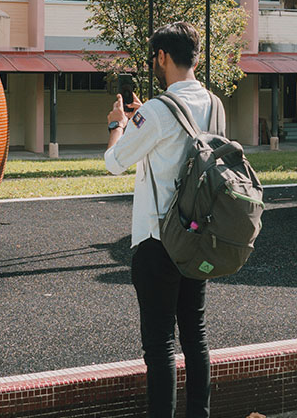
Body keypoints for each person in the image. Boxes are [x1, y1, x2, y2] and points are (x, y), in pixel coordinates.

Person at [103, 22, 220, 418]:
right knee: (196, 337)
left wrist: (118, 125)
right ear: (196, 57)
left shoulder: (155, 110)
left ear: (163, 58)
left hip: (158, 240)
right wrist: (143, 122)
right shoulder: (215, 104)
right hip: (199, 235)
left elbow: (114, 163)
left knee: (160, 346)